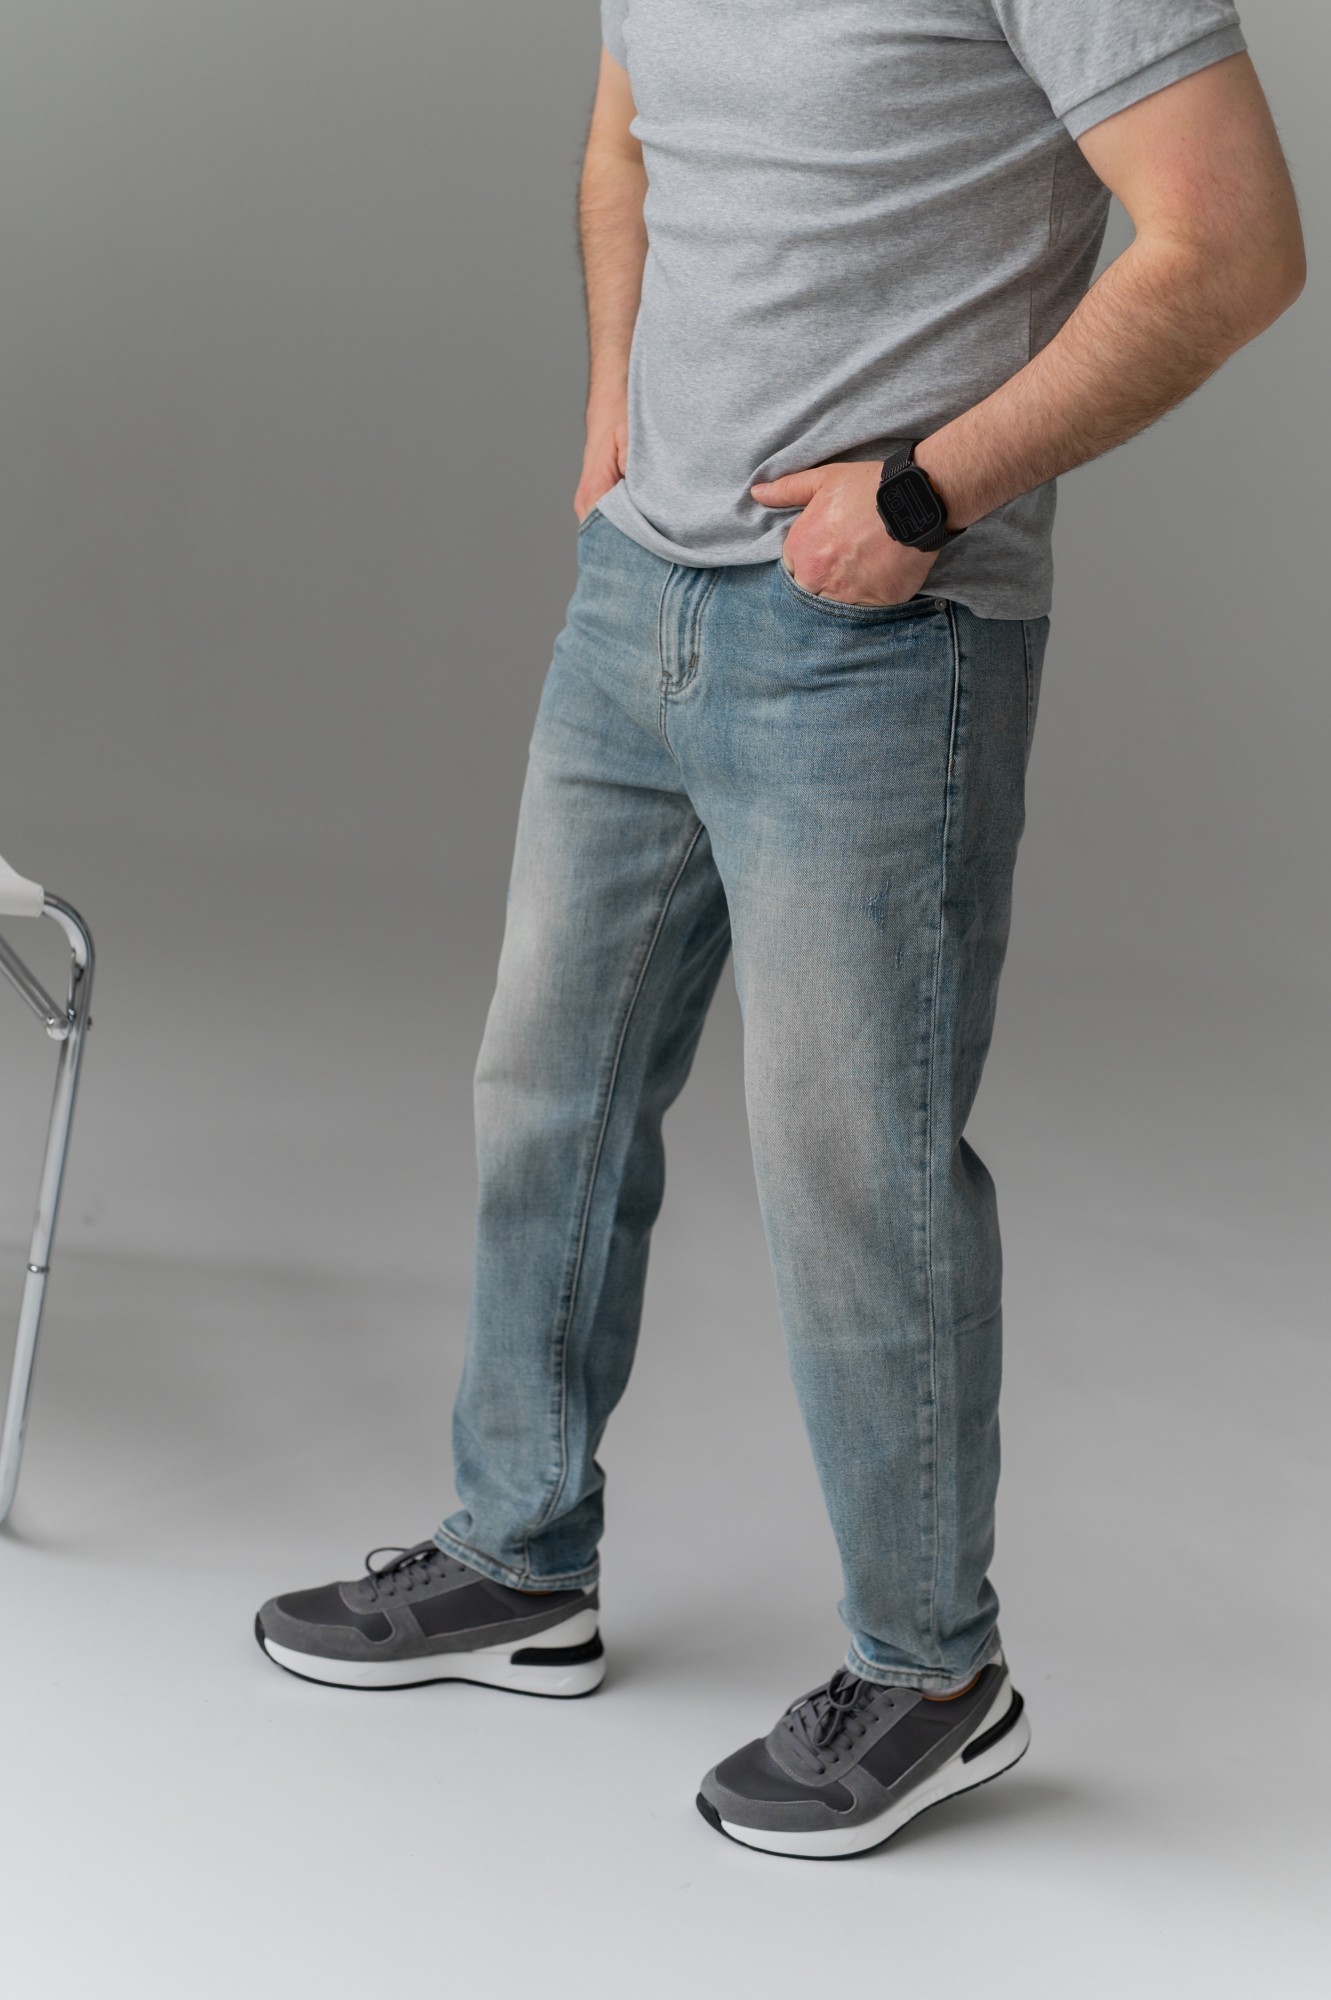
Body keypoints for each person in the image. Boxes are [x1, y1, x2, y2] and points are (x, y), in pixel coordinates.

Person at [255, 2, 1304, 1859]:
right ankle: (519, 1556)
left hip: (879, 631)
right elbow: (627, 137)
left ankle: (932, 1671)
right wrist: (617, 412)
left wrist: (921, 495)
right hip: (637, 595)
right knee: (545, 1090)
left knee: (852, 1166)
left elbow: (1233, 245)